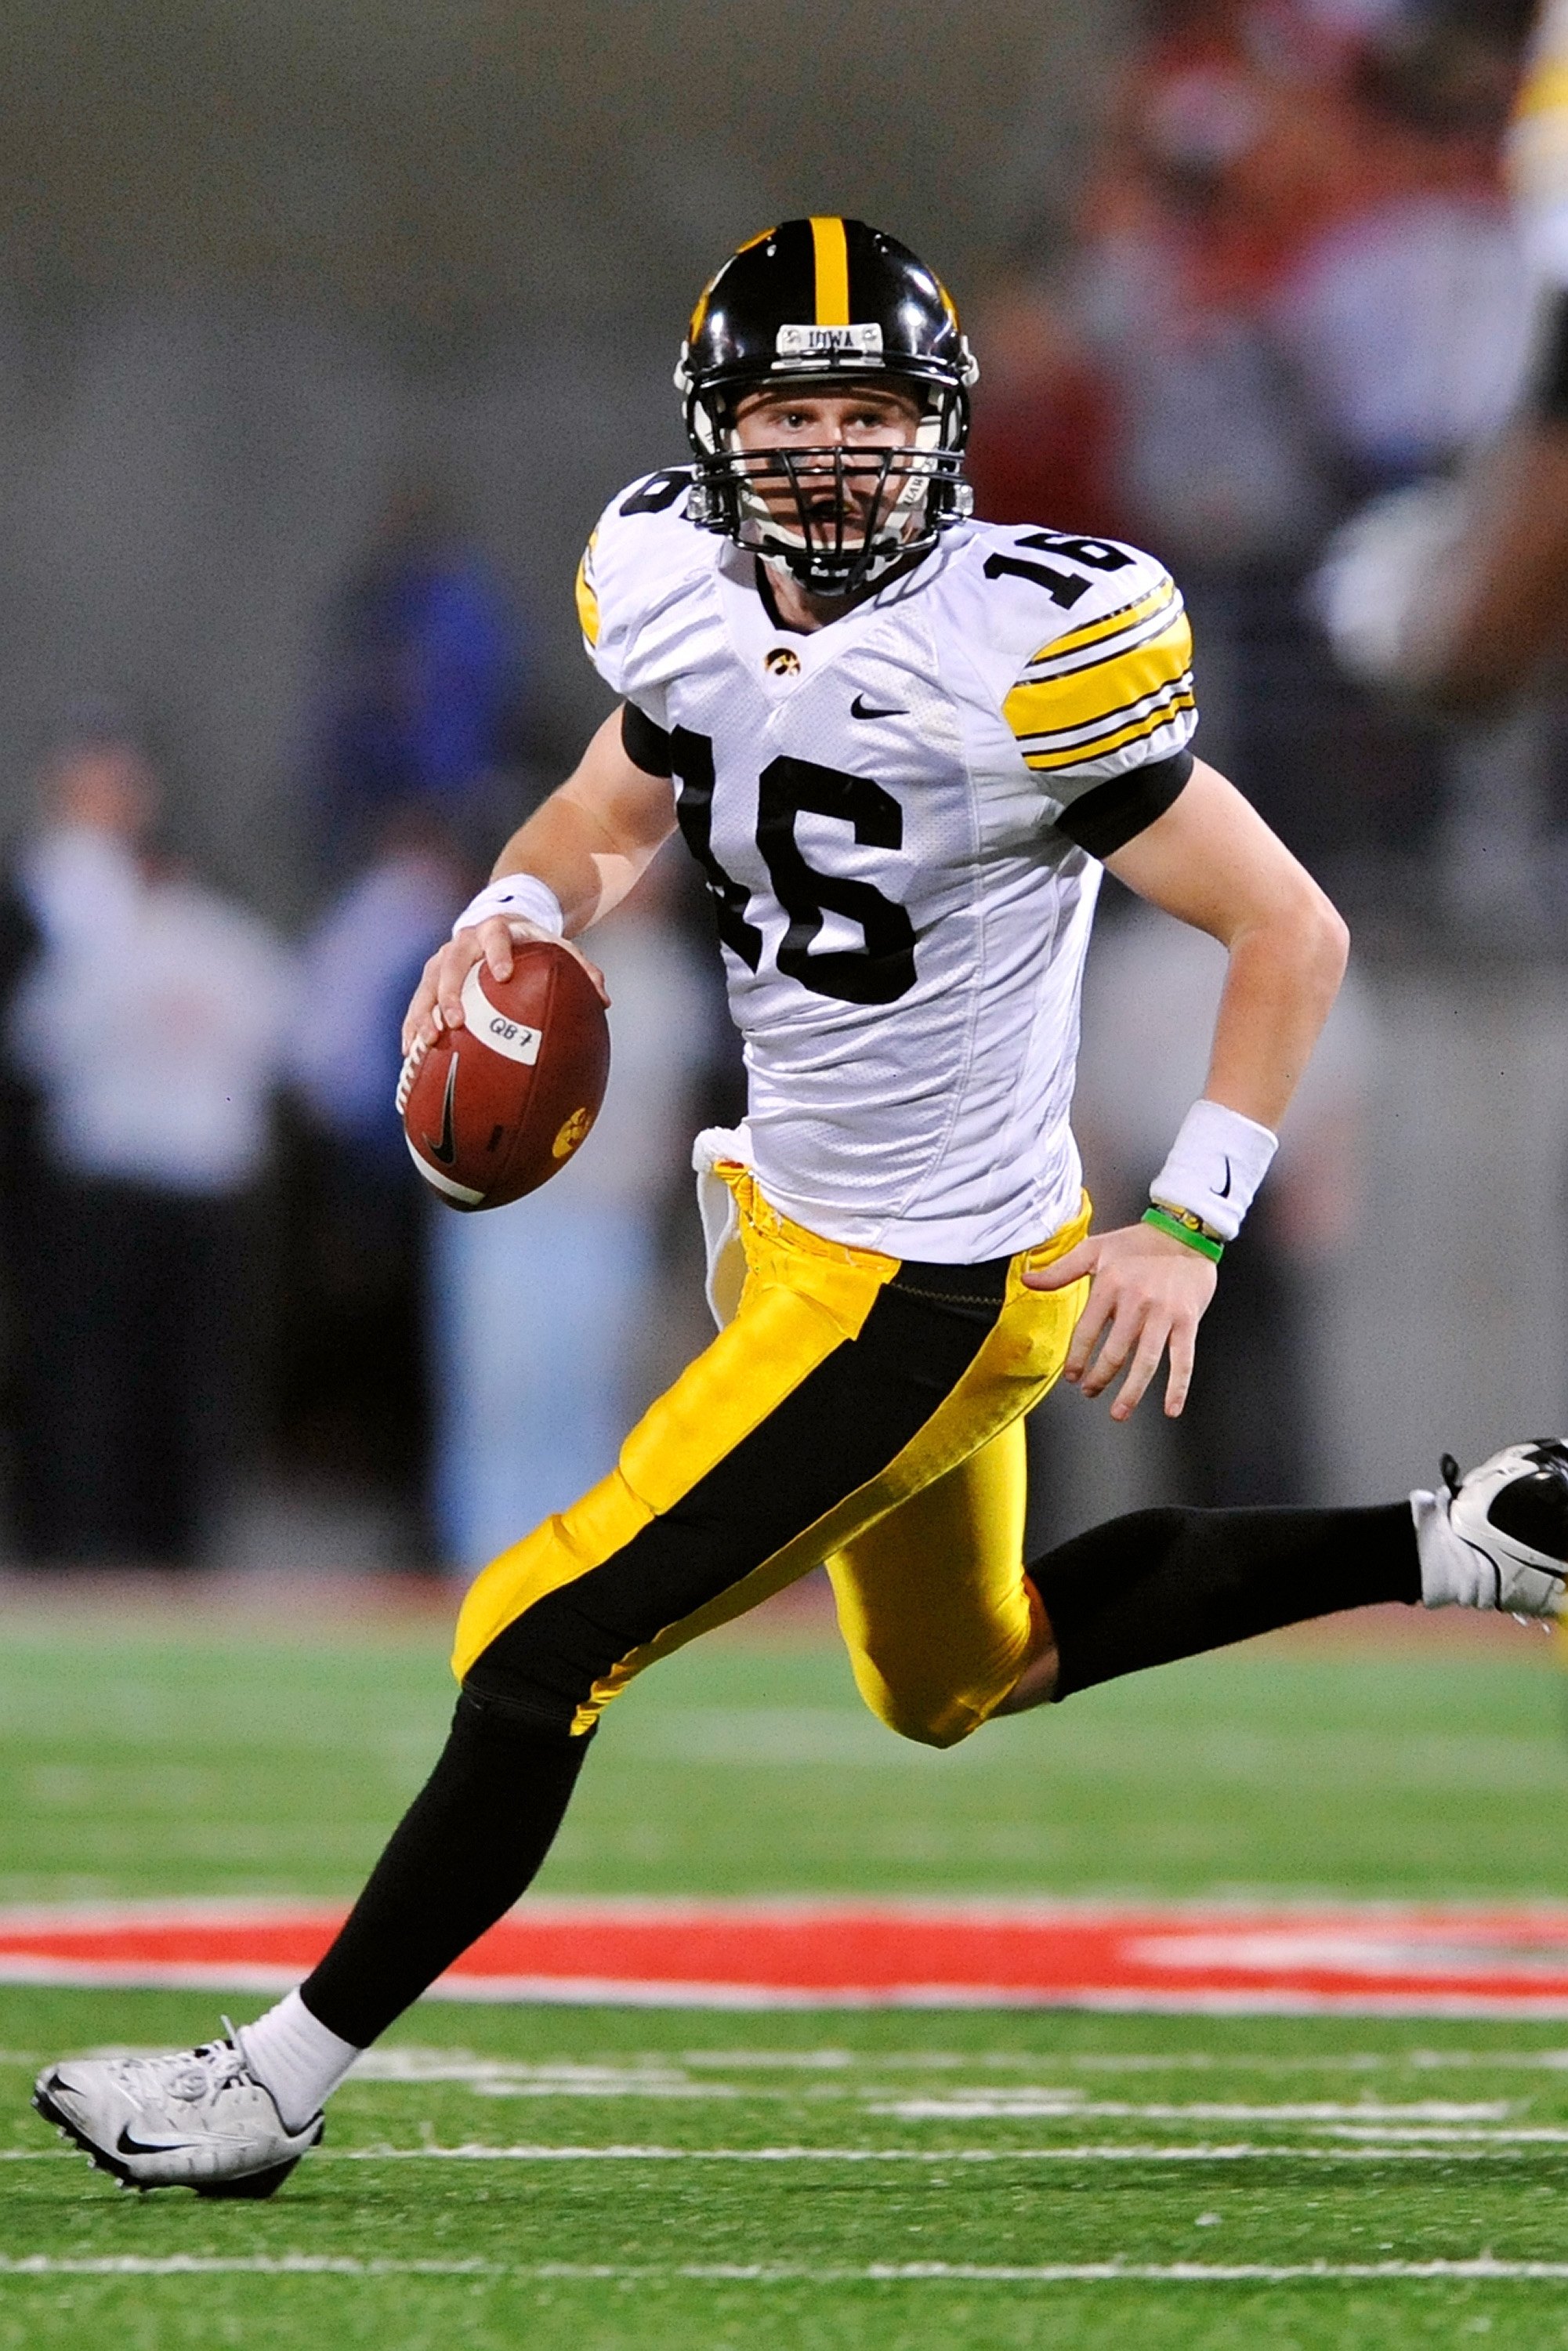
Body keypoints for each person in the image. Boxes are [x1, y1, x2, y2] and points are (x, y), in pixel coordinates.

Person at [33, 216, 1568, 2194]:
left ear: (938, 432)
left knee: (531, 1637)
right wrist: (506, 911)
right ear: (716, 432)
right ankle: (1466, 1540)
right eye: (790, 414)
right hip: (810, 1225)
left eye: (867, 414)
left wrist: (1181, 1222)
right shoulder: (675, 587)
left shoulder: (1024, 648)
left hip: (926, 1276)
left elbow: (1286, 924)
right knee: (958, 1673)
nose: (831, 455)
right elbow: (609, 805)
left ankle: (270, 2079)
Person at [7, 723, 294, 1563]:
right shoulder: (208, 944)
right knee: (139, 1382)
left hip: (139, 1187)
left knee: (136, 1382)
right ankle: (136, 1545)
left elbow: (42, 1049)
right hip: (158, 1188)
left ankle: (124, 1545)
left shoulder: (162, 945)